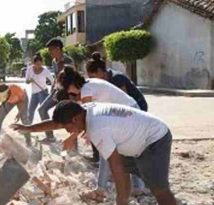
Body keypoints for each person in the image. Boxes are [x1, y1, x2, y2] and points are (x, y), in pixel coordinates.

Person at [11, 101, 177, 205]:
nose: (69, 132)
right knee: (125, 170)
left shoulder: (98, 128)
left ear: (75, 120)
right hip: (133, 138)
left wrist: (118, 200)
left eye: (68, 128)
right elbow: (57, 124)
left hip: (153, 139)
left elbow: (116, 166)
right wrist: (29, 128)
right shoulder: (85, 110)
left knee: (158, 189)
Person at [57, 66, 147, 198]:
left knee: (108, 150)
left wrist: (72, 138)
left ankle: (101, 188)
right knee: (122, 150)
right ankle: (138, 186)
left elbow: (85, 119)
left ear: (71, 84)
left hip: (127, 113)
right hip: (125, 113)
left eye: (67, 88)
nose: (69, 92)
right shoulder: (88, 85)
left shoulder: (87, 89)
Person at [38, 38, 74, 143]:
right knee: (42, 109)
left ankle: (73, 146)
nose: (49, 52)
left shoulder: (68, 61)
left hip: (67, 93)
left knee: (70, 117)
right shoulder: (54, 61)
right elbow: (56, 76)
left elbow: (72, 79)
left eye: (50, 50)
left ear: (58, 49)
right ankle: (50, 137)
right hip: (56, 91)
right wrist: (53, 88)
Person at [25, 55, 54, 124]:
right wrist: (30, 81)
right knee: (30, 111)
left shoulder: (45, 70)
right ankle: (27, 130)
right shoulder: (29, 69)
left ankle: (48, 132)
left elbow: (53, 81)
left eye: (40, 64)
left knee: (42, 111)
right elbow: (26, 81)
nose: (39, 66)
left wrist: (52, 91)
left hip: (43, 92)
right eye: (37, 64)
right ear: (33, 63)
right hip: (34, 93)